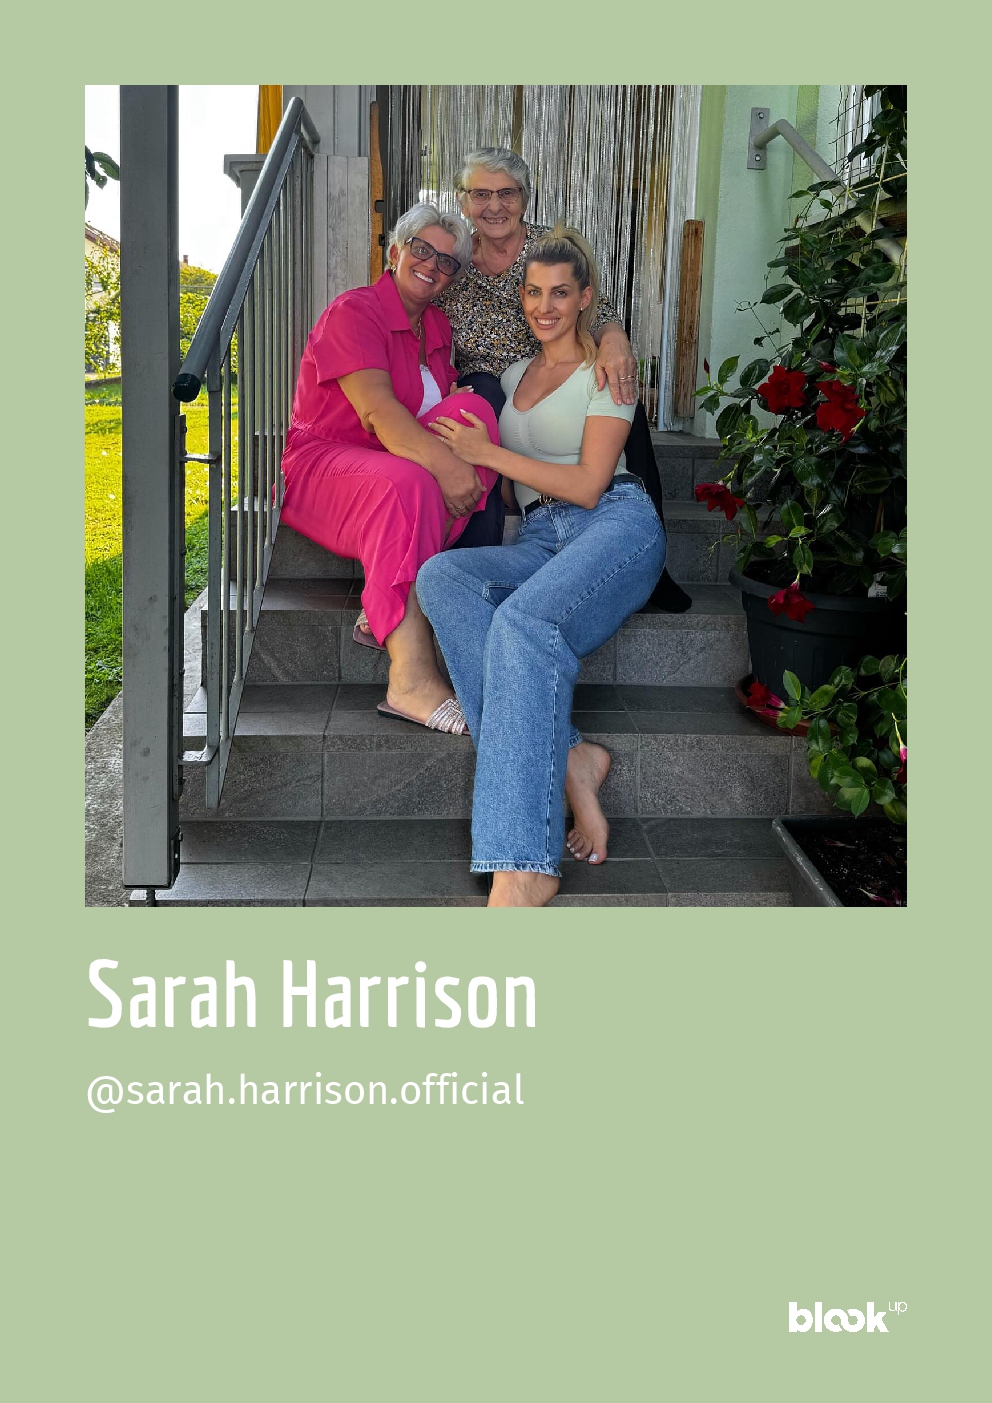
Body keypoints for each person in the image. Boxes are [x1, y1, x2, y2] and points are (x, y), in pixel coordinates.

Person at [417, 224, 666, 907]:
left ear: (585, 297)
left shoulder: (608, 372)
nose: (544, 306)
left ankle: (524, 865)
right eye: (533, 292)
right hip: (539, 535)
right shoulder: (511, 377)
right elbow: (511, 489)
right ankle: (572, 756)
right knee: (444, 578)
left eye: (560, 292)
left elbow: (587, 484)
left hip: (614, 523)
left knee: (522, 625)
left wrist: (488, 454)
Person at [434, 147, 690, 613]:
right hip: (491, 386)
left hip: (561, 370)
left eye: (507, 193)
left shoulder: (547, 247)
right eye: (481, 194)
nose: (495, 206)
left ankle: (649, 568)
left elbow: (597, 307)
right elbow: (424, 319)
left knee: (616, 386)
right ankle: (479, 560)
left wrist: (615, 338)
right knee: (481, 400)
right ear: (463, 200)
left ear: (525, 198)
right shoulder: (454, 261)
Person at [279, 203, 499, 734]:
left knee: (475, 414)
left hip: (386, 463)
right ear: (395, 251)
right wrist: (447, 468)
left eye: (446, 261)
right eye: (422, 250)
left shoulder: (436, 326)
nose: (432, 265)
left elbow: (431, 411)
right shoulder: (355, 311)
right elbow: (379, 413)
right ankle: (409, 681)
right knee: (410, 479)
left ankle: (389, 585)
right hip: (321, 463)